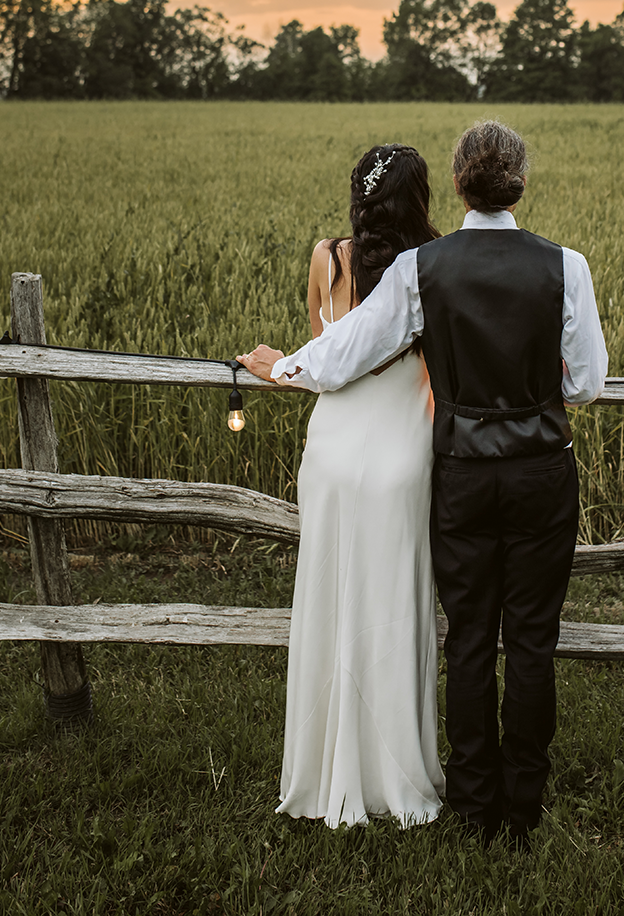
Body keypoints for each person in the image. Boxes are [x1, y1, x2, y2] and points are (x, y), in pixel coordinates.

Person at [241, 120, 607, 846]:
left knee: (470, 638)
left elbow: (346, 351)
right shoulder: (567, 265)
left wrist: (281, 366)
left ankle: (473, 806)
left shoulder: (423, 268)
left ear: (461, 184)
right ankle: (522, 807)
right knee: (531, 641)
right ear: (519, 183)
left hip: (464, 473)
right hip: (539, 471)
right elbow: (587, 384)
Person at [240, 144, 446, 829]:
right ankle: (395, 774)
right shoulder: (436, 266)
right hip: (401, 450)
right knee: (390, 601)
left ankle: (325, 766)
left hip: (331, 446)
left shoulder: (327, 257)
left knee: (331, 597)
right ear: (419, 201)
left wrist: (282, 368)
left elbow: (323, 353)